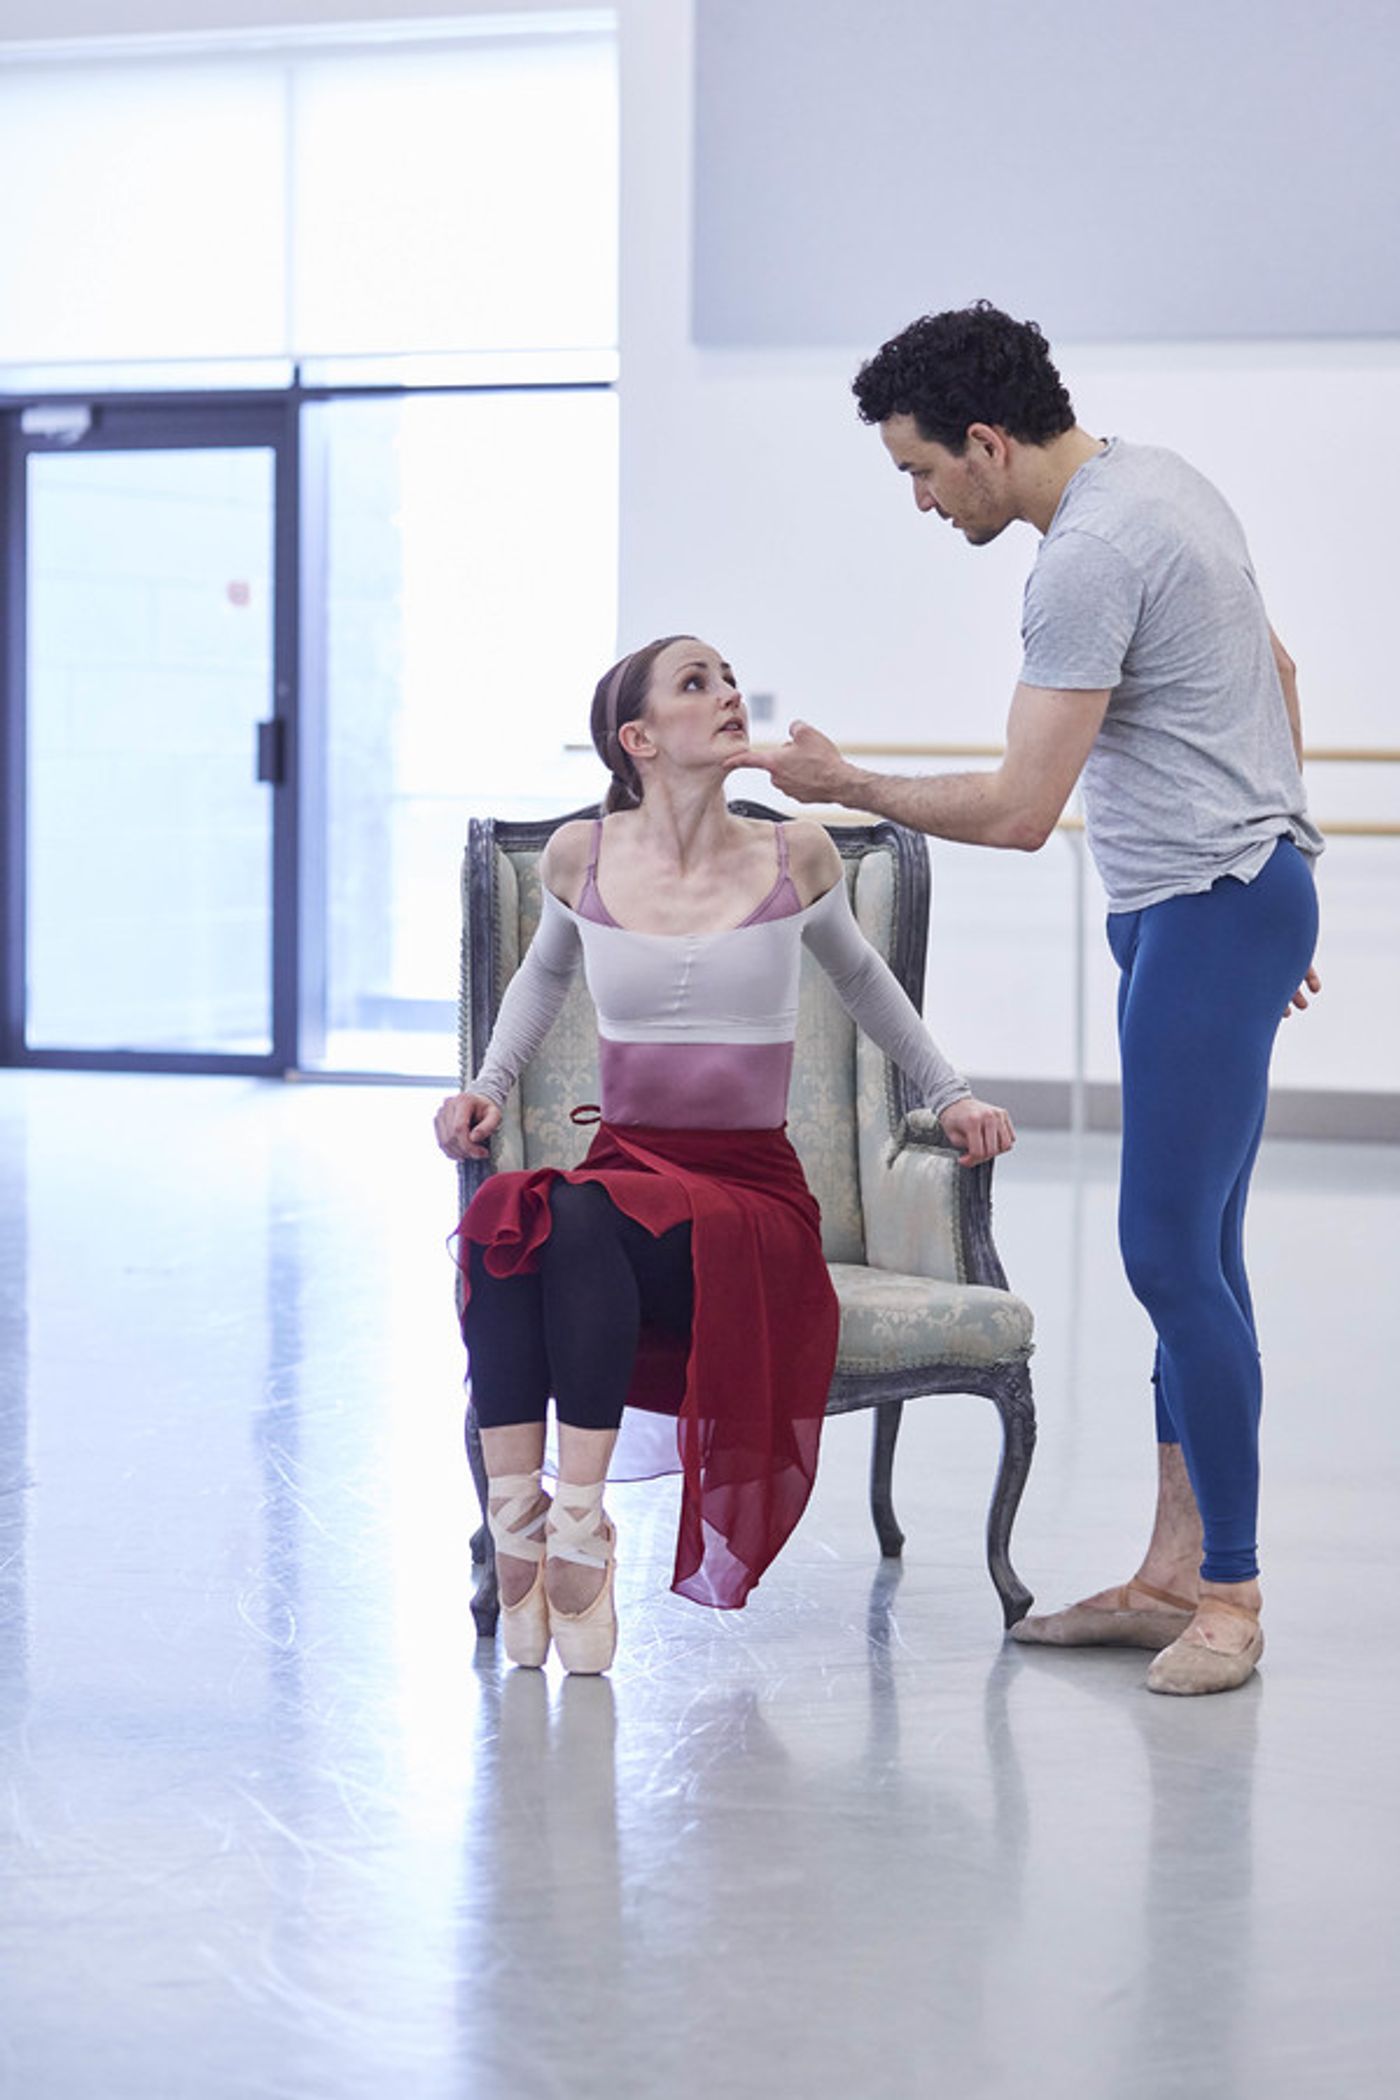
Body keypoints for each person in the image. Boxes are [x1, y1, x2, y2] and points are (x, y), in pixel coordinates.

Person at [753, 301, 1323, 1697]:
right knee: (1204, 1253)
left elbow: (1018, 809)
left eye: (922, 470)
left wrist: (849, 786)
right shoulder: (1159, 476)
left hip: (1204, 907)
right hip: (1215, 901)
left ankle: (1231, 1599)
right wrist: (1282, 850)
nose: (920, 498)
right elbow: (1281, 670)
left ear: (989, 443)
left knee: (1167, 1254)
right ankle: (1174, 1570)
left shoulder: (1087, 557)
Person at [434, 634, 1014, 1674]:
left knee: (561, 1215)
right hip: (626, 1173)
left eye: (731, 679)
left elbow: (867, 986)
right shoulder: (581, 856)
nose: (729, 695)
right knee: (513, 1218)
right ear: (639, 737)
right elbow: (537, 984)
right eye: (697, 683)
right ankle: (525, 1528)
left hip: (748, 1199)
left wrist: (951, 1094)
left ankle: (574, 1525)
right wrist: (482, 1090)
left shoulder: (796, 854)